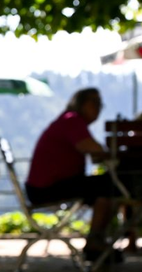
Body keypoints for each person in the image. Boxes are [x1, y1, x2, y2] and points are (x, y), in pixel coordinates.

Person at [25, 88, 118, 261]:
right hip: (46, 188)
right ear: (81, 103)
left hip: (47, 186)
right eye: (94, 102)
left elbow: (93, 152)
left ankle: (97, 240)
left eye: (100, 104)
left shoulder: (70, 121)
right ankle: (95, 241)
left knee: (106, 186)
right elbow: (91, 148)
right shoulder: (72, 120)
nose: (98, 107)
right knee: (108, 186)